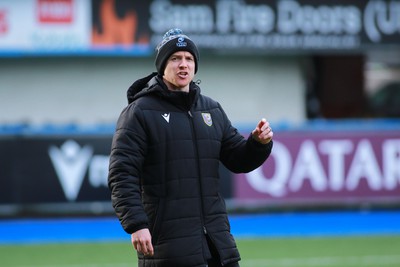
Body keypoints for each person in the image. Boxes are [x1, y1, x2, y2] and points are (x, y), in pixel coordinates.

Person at [108, 28, 273, 267]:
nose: (183, 65)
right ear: (162, 65)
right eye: (175, 58)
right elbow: (122, 174)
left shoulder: (211, 110)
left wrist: (258, 144)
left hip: (218, 244)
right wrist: (136, 224)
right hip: (169, 247)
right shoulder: (139, 112)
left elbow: (238, 159)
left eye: (189, 58)